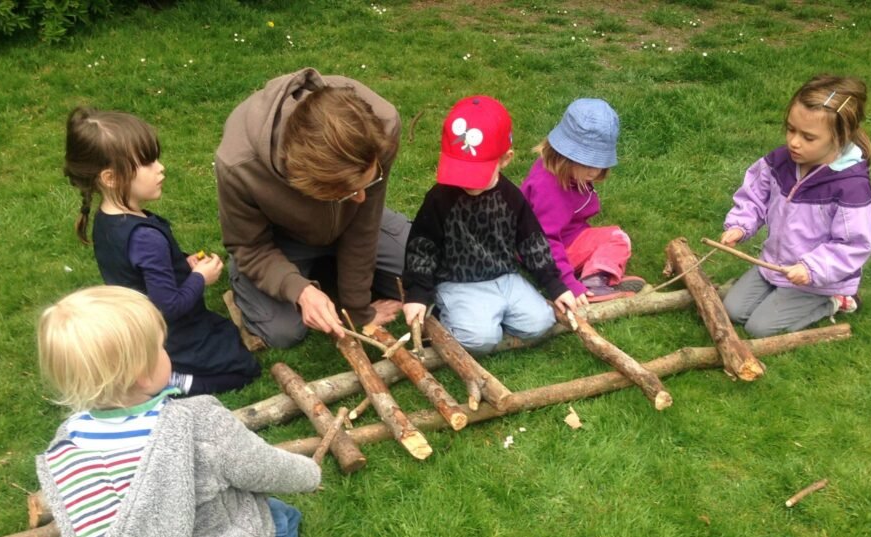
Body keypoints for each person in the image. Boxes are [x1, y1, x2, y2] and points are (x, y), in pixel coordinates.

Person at [34, 286, 321, 537]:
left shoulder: (68, 443)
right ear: (140, 373)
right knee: (283, 521)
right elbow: (262, 469)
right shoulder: (198, 422)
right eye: (159, 348)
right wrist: (309, 473)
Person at [64, 106, 260, 396]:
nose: (160, 167)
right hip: (170, 336)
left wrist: (183, 261)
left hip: (139, 328)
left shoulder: (107, 220)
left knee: (228, 334)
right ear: (111, 178)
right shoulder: (145, 238)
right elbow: (168, 307)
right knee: (246, 369)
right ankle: (178, 382)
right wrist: (199, 278)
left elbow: (139, 271)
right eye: (147, 163)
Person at [215, 68, 411, 348]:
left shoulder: (382, 124)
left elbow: (364, 222)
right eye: (348, 192)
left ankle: (328, 277)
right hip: (280, 242)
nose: (360, 198)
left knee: (421, 274)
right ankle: (292, 281)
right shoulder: (238, 164)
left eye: (366, 183)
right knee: (283, 332)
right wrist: (300, 291)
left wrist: (357, 311)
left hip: (348, 226)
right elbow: (250, 246)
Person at [401, 95, 576, 355]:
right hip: (458, 282)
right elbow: (422, 248)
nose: (468, 182)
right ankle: (449, 313)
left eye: (475, 174)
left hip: (505, 278)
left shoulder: (511, 197)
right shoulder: (440, 199)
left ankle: (487, 315)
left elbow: (532, 243)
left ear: (505, 159)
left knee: (541, 323)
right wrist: (418, 293)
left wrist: (555, 285)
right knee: (480, 340)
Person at [718, 74, 871, 337]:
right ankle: (777, 294)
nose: (794, 142)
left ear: (840, 137)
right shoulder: (780, 161)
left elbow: (852, 244)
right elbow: (754, 195)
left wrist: (811, 268)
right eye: (791, 129)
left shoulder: (850, 186)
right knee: (733, 310)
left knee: (760, 328)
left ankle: (836, 301)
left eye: (808, 137)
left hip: (817, 280)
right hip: (774, 266)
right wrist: (740, 225)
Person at [521, 98, 645, 304]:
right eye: (588, 162)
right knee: (617, 239)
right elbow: (545, 240)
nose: (594, 170)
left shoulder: (564, 172)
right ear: (565, 156)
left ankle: (599, 275)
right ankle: (593, 284)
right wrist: (567, 283)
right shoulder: (549, 188)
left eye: (599, 162)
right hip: (543, 252)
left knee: (613, 239)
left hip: (567, 237)